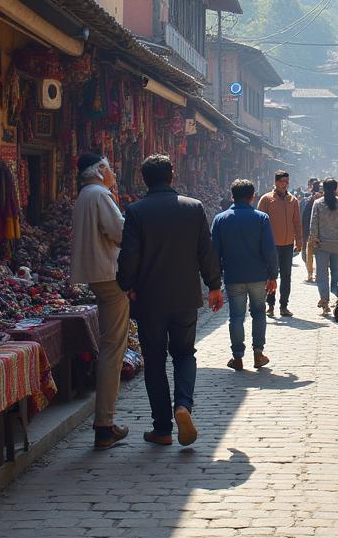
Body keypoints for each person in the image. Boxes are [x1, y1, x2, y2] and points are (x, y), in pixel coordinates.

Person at [117, 155, 224, 447]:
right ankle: (183, 406)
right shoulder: (193, 208)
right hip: (185, 297)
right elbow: (206, 251)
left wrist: (127, 285)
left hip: (149, 299)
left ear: (144, 179)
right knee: (184, 354)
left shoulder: (136, 211)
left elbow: (129, 256)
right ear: (172, 175)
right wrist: (215, 285)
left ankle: (162, 428)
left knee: (154, 361)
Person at [69, 152, 130, 450]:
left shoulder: (86, 195)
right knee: (113, 350)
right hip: (110, 275)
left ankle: (105, 422)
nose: (114, 175)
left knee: (110, 346)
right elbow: (120, 232)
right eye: (111, 169)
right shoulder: (99, 194)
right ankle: (104, 425)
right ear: (101, 170)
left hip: (96, 275)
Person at [212, 180, 278, 371]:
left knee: (236, 317)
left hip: (233, 276)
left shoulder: (220, 219)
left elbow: (214, 253)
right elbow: (269, 251)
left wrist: (214, 282)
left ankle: (238, 357)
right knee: (258, 313)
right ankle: (258, 353)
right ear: (252, 196)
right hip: (258, 276)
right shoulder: (261, 218)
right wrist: (273, 275)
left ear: (232, 196)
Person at [257, 170, 303, 317]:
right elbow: (259, 222)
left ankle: (284, 306)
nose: (285, 185)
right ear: (276, 182)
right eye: (282, 182)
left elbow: (297, 222)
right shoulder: (266, 199)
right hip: (271, 245)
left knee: (286, 275)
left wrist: (299, 240)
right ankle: (270, 305)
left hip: (288, 244)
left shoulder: (293, 201)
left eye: (287, 182)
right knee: (271, 275)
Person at [309, 177, 338, 315]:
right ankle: (335, 294)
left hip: (322, 245)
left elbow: (313, 225)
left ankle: (325, 301)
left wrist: (315, 240)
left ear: (323, 189)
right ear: (336, 188)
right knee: (335, 273)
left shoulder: (318, 203)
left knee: (321, 275)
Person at [301, 179, 321, 283]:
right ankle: (311, 274)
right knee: (308, 255)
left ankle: (315, 274)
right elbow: (303, 216)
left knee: (318, 254)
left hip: (319, 232)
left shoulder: (324, 201)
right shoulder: (306, 200)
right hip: (309, 232)